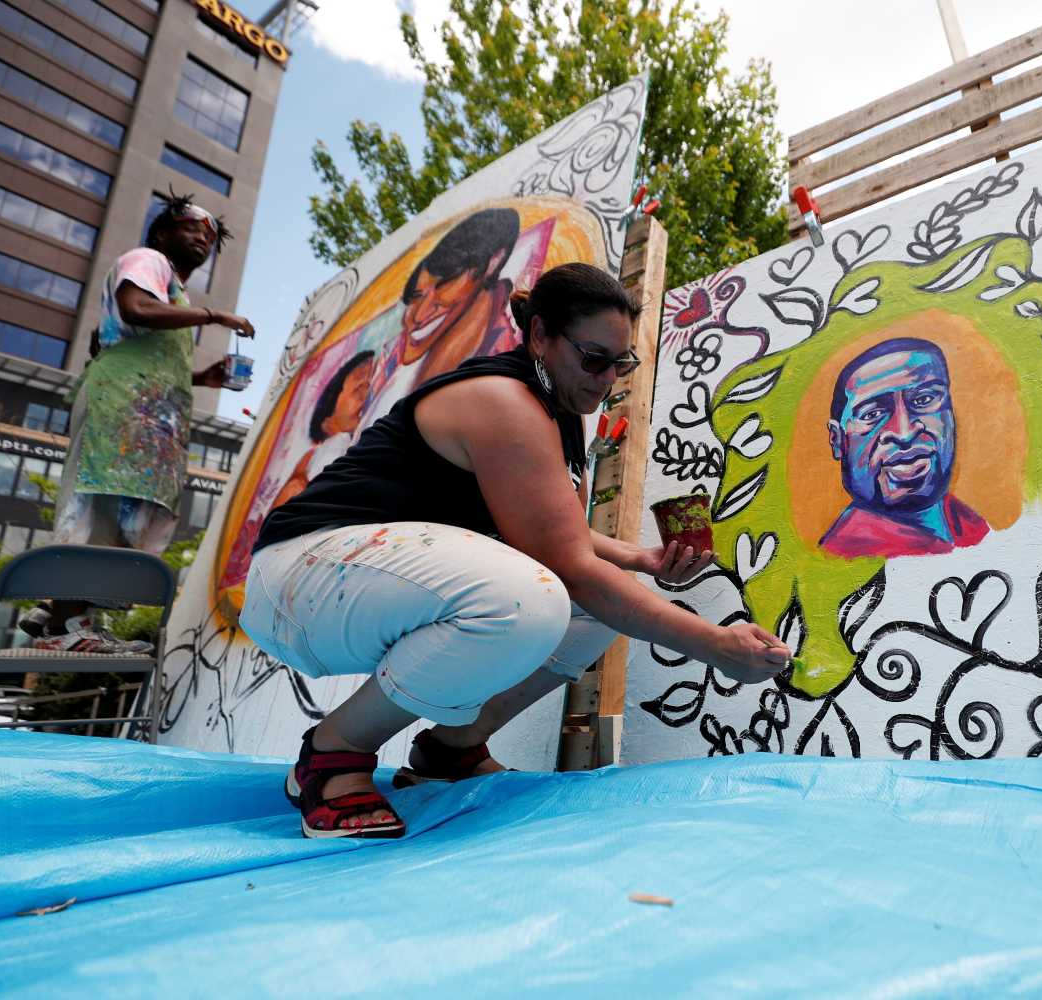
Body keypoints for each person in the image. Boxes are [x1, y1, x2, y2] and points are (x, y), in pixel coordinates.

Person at [241, 262, 791, 839]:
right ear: (540, 337)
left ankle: (451, 750)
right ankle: (333, 753)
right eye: (593, 358)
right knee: (535, 598)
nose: (605, 379)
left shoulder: (558, 410)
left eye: (619, 363)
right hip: (299, 577)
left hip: (358, 583)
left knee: (589, 610)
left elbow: (551, 532)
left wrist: (640, 559)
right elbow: (569, 566)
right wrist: (716, 646)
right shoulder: (506, 402)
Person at [26, 194, 255, 652]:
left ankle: (64, 615)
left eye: (209, 236)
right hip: (122, 411)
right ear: (162, 232)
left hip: (143, 417)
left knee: (123, 518)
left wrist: (200, 376)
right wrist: (214, 316)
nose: (202, 237)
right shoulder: (148, 260)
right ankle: (68, 625)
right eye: (191, 226)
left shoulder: (174, 290)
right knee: (101, 507)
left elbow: (137, 341)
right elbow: (136, 309)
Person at [819, 337, 989, 559]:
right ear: (838, 440)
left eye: (925, 399)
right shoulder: (847, 558)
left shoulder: (971, 527)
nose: (904, 433)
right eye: (872, 414)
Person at [362, 208, 521, 424]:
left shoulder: (499, 358)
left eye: (443, 286)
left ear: (493, 264)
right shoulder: (389, 360)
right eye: (417, 296)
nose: (418, 315)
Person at [270, 350, 375, 509]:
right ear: (327, 419)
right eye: (358, 389)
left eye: (369, 385)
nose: (366, 395)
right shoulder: (329, 451)